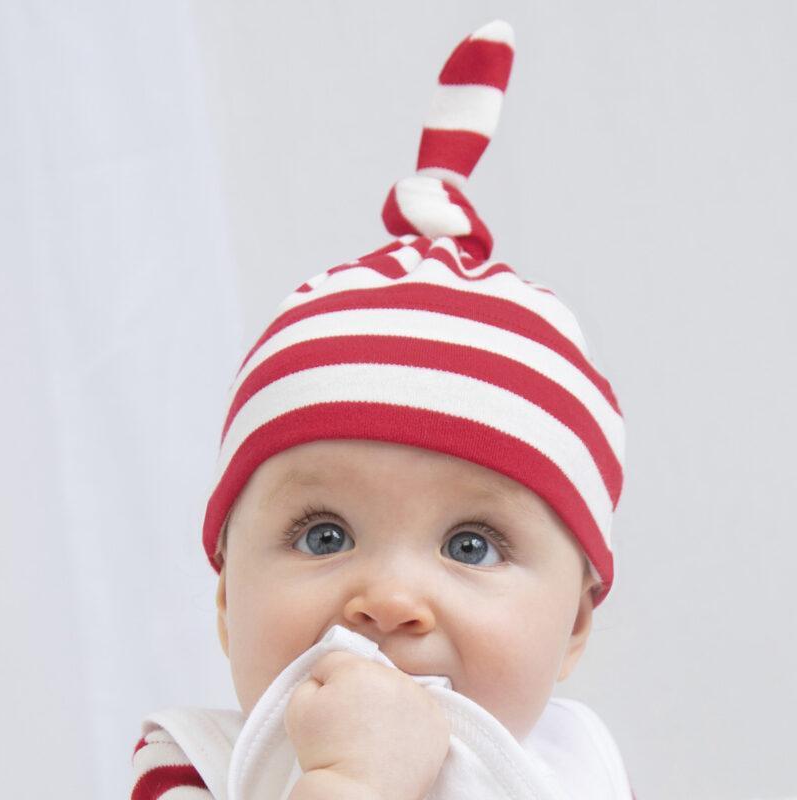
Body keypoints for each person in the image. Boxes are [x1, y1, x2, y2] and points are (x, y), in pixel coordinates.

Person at [130, 19, 637, 800]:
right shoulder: (193, 769)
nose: (391, 602)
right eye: (323, 535)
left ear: (573, 622)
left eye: (472, 546)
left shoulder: (578, 777)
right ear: (228, 599)